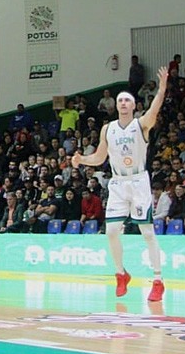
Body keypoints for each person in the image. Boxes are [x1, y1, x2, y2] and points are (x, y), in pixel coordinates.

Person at [73, 66, 170, 301]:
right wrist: (82, 159)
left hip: (138, 180)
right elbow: (99, 158)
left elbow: (155, 108)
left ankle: (158, 280)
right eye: (120, 100)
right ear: (116, 106)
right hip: (117, 182)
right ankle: (120, 274)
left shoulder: (142, 123)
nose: (124, 103)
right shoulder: (108, 129)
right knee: (112, 231)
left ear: (134, 105)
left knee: (147, 231)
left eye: (128, 100)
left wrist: (163, 87)